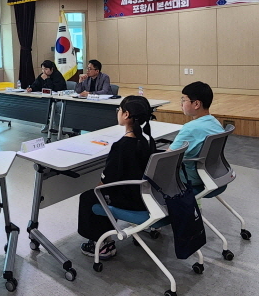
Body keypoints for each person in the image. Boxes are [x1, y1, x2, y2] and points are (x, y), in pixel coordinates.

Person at [77, 96, 157, 260]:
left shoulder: (121, 146)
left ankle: (101, 244)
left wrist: (97, 188)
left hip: (131, 200)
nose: (118, 113)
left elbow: (106, 182)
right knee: (102, 194)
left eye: (119, 110)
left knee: (90, 197)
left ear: (126, 115)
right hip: (148, 196)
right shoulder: (147, 140)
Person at [168, 81, 224, 187]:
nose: (181, 104)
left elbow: (168, 158)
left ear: (196, 104)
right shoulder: (216, 123)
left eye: (184, 100)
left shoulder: (190, 128)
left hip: (190, 178)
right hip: (212, 173)